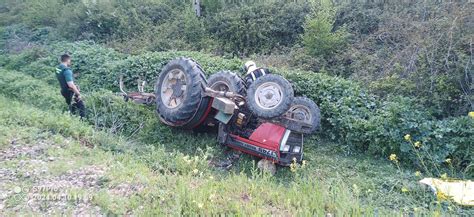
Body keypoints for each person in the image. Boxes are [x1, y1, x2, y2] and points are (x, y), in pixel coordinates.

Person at [56, 54, 86, 119]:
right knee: (81, 107)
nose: (70, 61)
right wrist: (78, 94)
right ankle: (83, 123)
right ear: (68, 60)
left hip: (63, 90)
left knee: (72, 106)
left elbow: (63, 77)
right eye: (70, 60)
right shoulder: (67, 70)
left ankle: (72, 119)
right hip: (70, 92)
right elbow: (70, 85)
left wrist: (73, 76)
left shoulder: (58, 68)